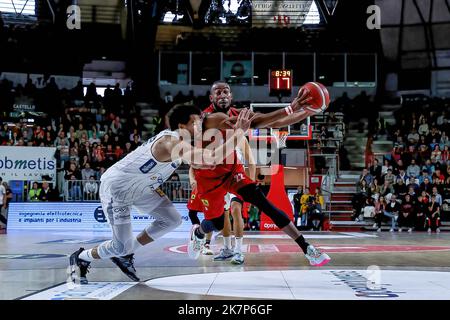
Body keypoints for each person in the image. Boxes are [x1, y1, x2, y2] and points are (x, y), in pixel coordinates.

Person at [69, 95, 330, 284]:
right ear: (183, 126)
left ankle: (126, 253)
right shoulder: (172, 142)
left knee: (171, 220)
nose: (200, 124)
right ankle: (83, 256)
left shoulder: (201, 129)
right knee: (119, 245)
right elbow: (210, 160)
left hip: (146, 187)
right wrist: (239, 134)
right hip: (118, 190)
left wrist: (295, 110)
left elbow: (255, 123)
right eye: (196, 122)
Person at [200, 81, 257, 265]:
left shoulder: (238, 135)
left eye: (226, 92)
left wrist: (253, 182)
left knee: (235, 210)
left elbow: (251, 160)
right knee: (223, 214)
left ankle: (239, 251)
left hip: (237, 177)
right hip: (219, 178)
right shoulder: (211, 137)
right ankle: (226, 248)